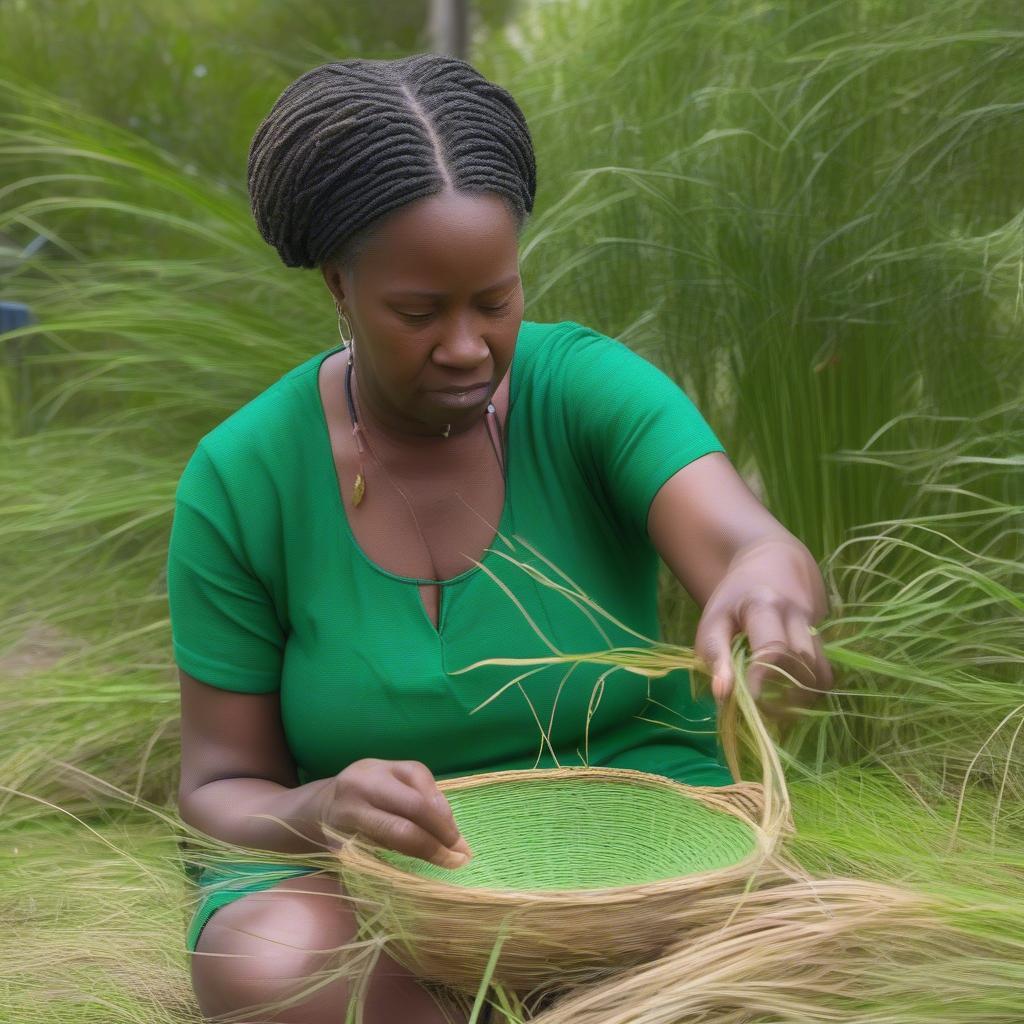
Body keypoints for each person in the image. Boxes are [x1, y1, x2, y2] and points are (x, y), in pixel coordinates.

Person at [167, 53, 833, 1024]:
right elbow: (220, 785)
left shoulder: (584, 391)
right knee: (272, 966)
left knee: (794, 958)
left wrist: (770, 582)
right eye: (418, 312)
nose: (468, 345)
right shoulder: (242, 477)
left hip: (644, 843)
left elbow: (743, 540)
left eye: (495, 299)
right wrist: (326, 807)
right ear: (337, 288)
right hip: (375, 876)